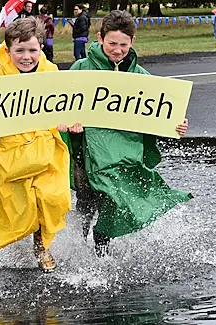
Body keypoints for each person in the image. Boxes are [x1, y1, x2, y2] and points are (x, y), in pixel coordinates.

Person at [0, 17, 83, 273]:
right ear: (8, 50)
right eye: (19, 51)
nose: (26, 57)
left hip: (46, 153)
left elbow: (68, 104)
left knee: (53, 199)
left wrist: (71, 121)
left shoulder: (51, 74)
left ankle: (41, 245)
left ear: (41, 48)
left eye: (32, 50)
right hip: (12, 158)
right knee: (24, 209)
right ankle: (32, 241)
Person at [65, 10, 192, 256]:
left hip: (122, 154)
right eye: (112, 43)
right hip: (87, 152)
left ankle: (101, 254)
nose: (117, 50)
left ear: (132, 42)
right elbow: (64, 104)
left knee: (113, 202)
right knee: (87, 203)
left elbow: (158, 113)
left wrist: (175, 125)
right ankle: (77, 248)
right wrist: (70, 123)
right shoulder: (81, 68)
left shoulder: (140, 77)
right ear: (100, 38)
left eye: (123, 44)